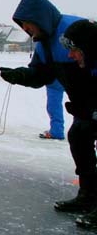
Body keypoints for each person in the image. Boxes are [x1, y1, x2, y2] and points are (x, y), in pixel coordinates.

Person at [0, 0, 97, 228]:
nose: (27, 32)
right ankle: (89, 196)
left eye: (28, 26)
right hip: (85, 106)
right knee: (78, 138)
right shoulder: (44, 44)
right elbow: (41, 74)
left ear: (39, 19)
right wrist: (21, 75)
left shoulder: (75, 29)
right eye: (23, 28)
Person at [58, 19, 97, 228]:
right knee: (79, 132)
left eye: (74, 50)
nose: (70, 55)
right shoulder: (89, 65)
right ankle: (88, 195)